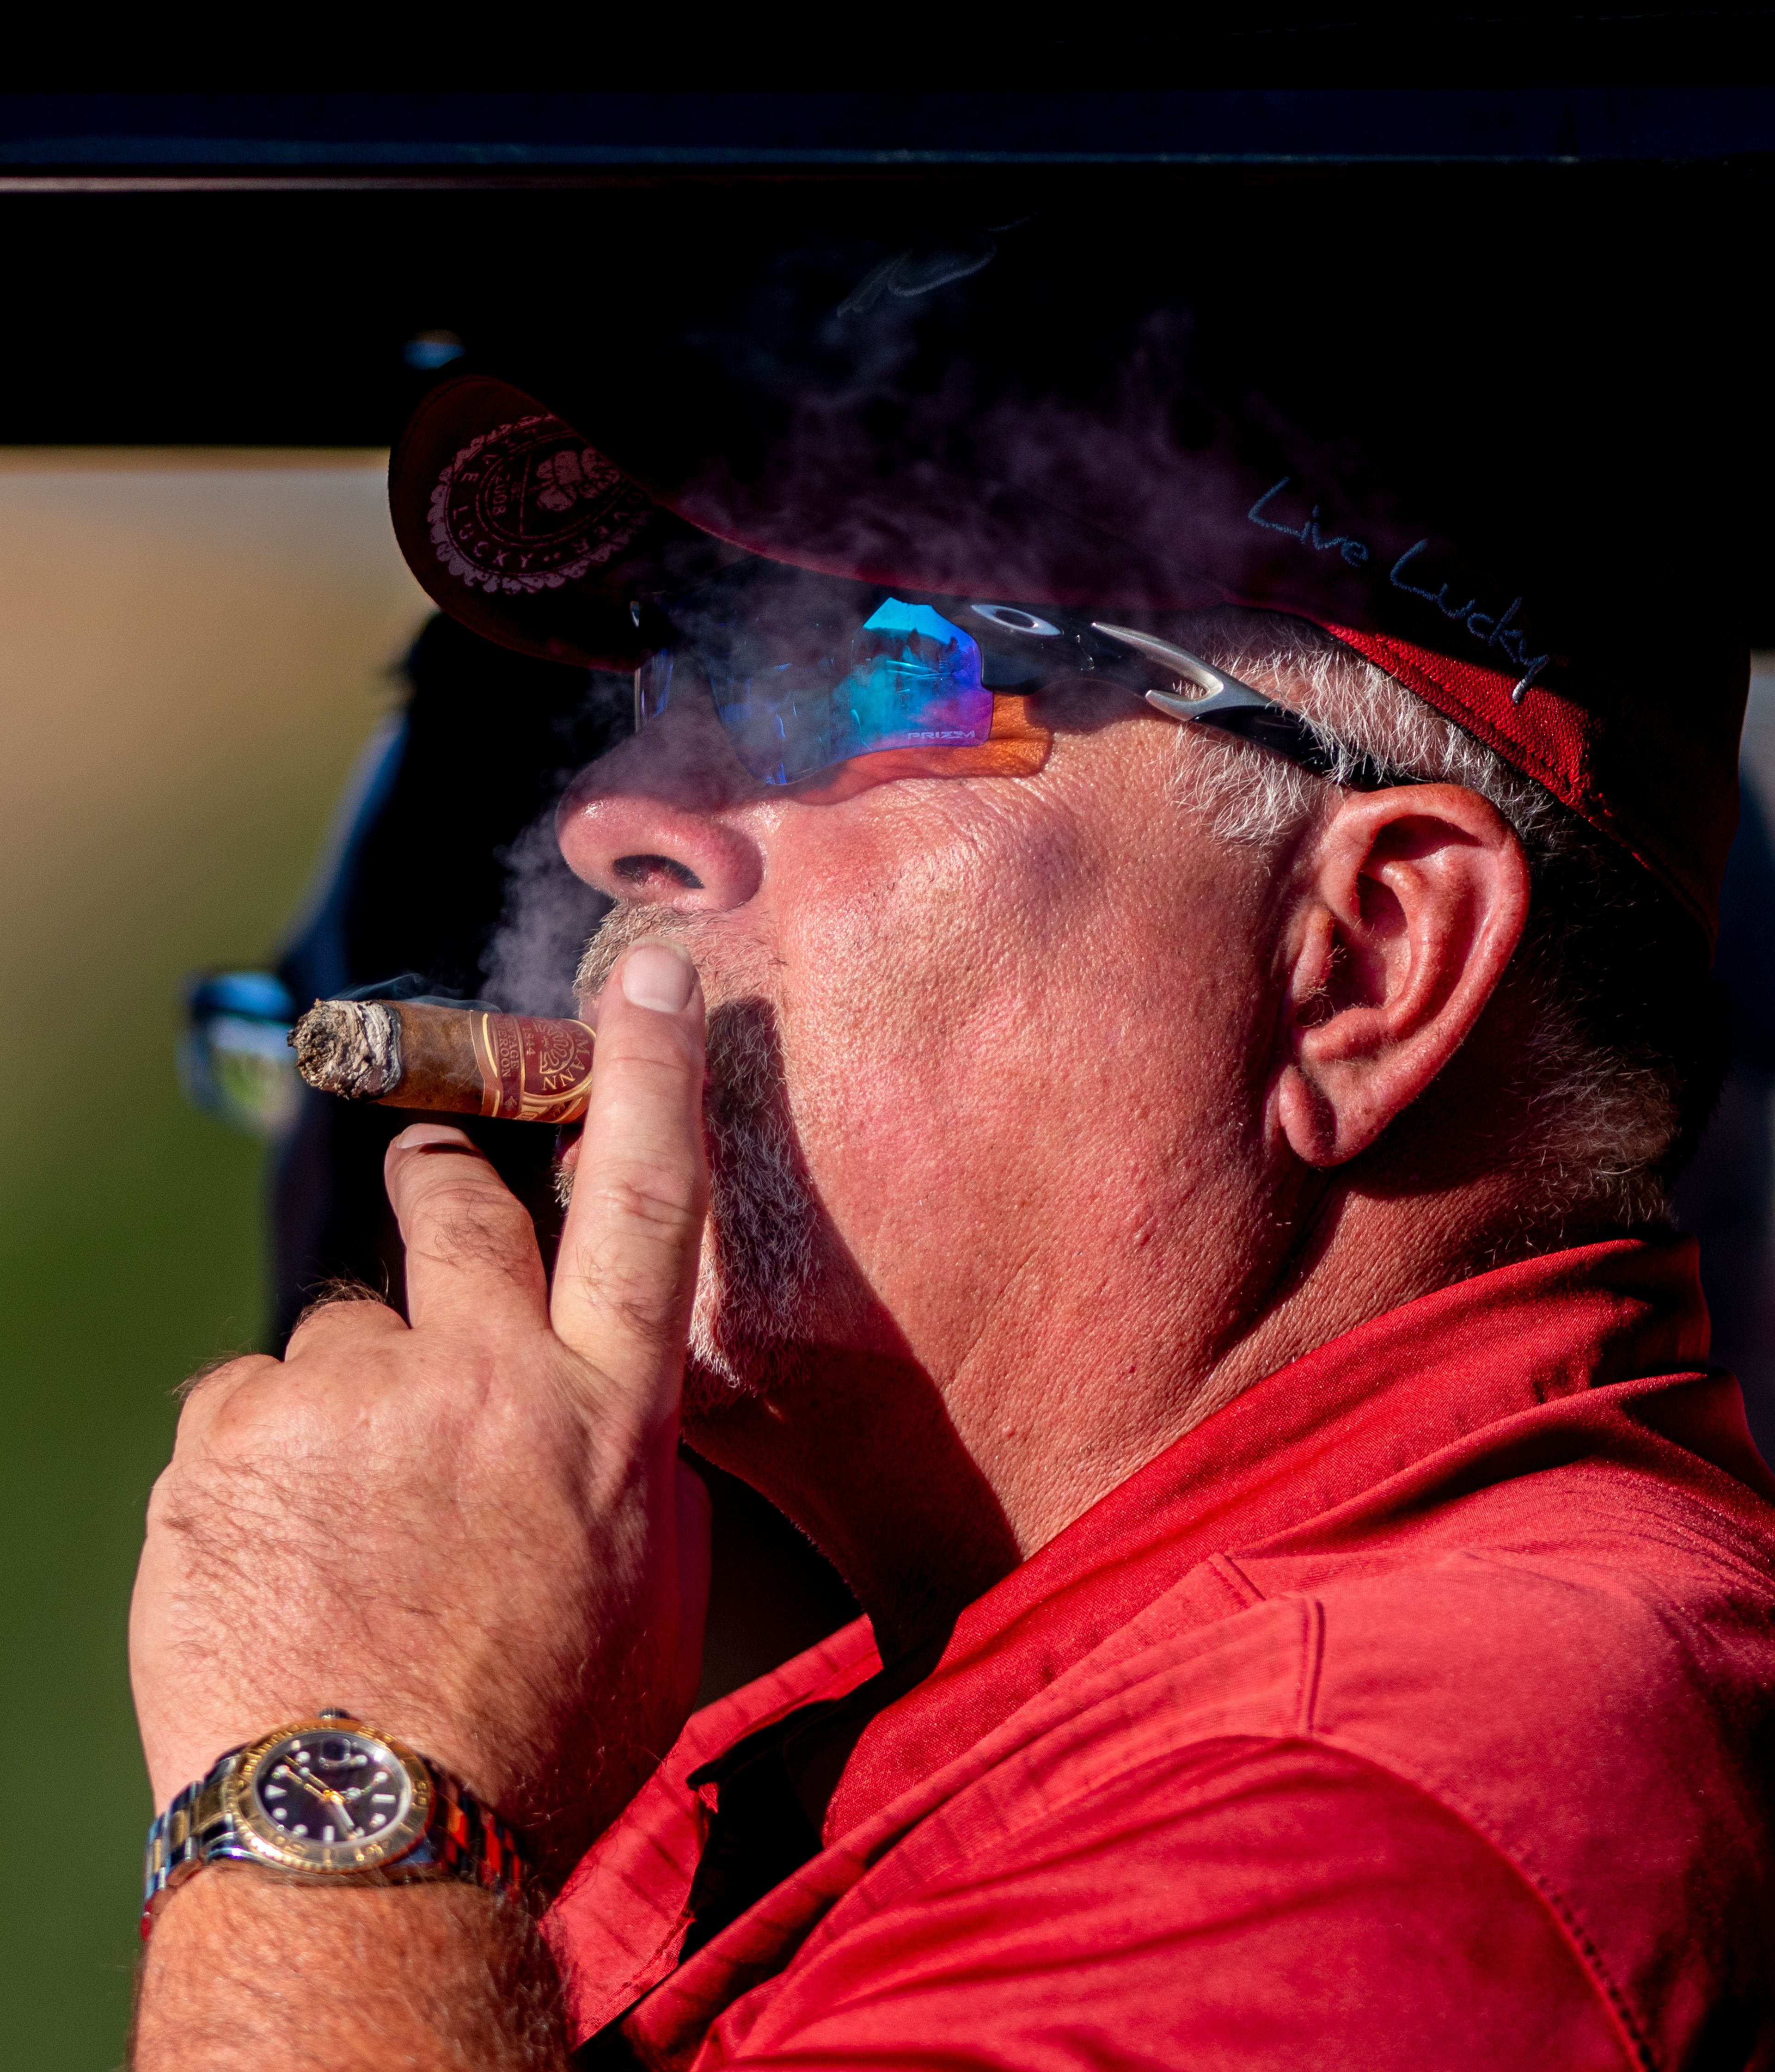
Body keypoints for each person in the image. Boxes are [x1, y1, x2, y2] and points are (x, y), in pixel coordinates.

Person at [128, 215, 1775, 2069]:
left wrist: (345, 1787)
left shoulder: (1400, 1794)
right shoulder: (995, 1696)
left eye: (873, 671)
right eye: (674, 677)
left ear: (1366, 963)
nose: (608, 818)